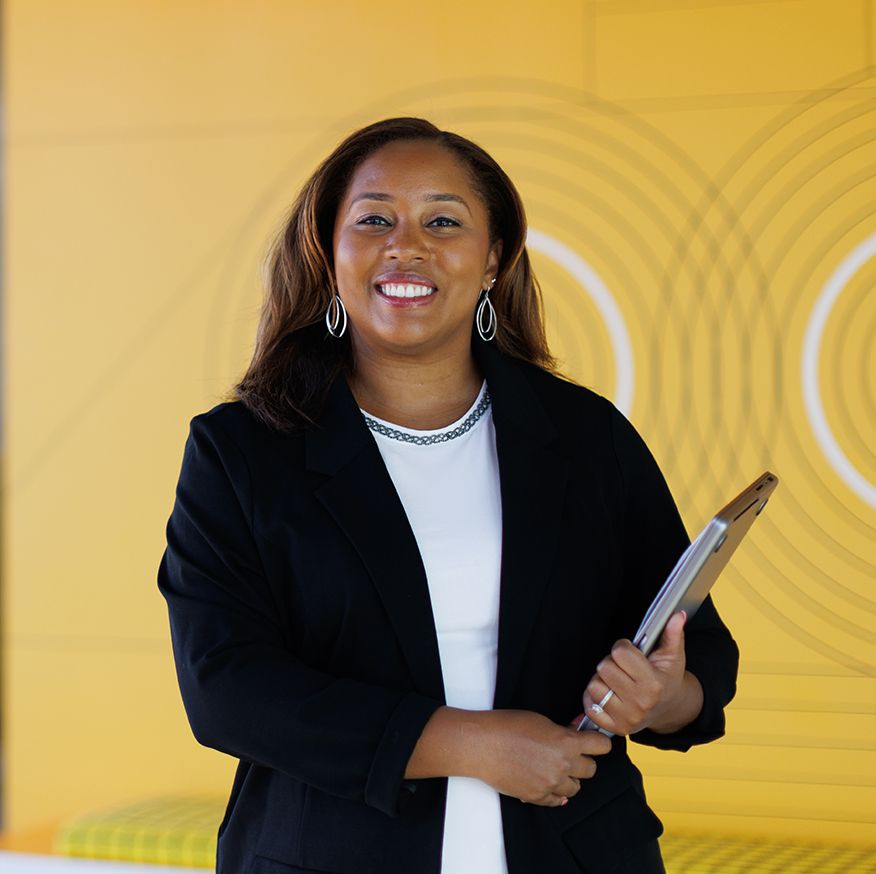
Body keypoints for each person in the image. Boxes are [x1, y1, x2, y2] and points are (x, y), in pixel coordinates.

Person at [158, 117, 738, 874]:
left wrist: (661, 699)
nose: (407, 244)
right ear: (327, 252)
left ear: (494, 257)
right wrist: (470, 744)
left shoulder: (587, 437)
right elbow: (227, 688)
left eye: (443, 220)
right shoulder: (242, 451)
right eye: (373, 220)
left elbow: (700, 656)